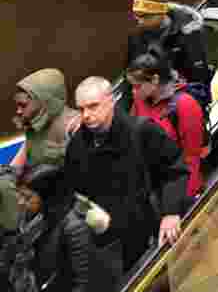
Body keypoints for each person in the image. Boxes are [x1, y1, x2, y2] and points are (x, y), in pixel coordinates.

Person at [64, 77, 188, 277]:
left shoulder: (141, 131)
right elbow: (73, 193)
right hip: (108, 247)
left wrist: (171, 212)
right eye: (81, 109)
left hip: (151, 235)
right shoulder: (77, 147)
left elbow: (175, 169)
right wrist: (96, 221)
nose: (86, 115)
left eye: (93, 106)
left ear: (111, 101)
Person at [11, 164, 103, 292]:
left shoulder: (74, 227)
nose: (21, 202)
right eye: (20, 195)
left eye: (27, 197)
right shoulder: (42, 216)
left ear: (48, 194)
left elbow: (83, 286)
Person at [126, 52, 206, 200]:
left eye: (137, 86)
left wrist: (181, 200)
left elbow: (191, 157)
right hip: (151, 184)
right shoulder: (140, 100)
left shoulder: (185, 105)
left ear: (155, 80)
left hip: (177, 186)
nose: (133, 92)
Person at [126, 0, 210, 91]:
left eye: (146, 16)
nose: (140, 21)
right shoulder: (136, 37)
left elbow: (199, 81)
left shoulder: (188, 35)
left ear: (161, 13)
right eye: (137, 16)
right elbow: (129, 76)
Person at [10, 68, 78, 173]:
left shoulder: (75, 125)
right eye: (18, 105)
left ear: (44, 101)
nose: (18, 111)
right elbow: (15, 168)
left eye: (23, 105)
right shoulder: (34, 130)